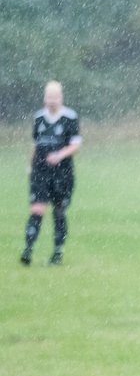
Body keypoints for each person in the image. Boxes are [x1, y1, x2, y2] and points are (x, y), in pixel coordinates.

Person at [21, 81, 82, 267]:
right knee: (37, 210)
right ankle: (28, 249)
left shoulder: (70, 117)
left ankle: (57, 252)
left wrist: (59, 155)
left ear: (61, 97)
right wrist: (31, 166)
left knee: (58, 211)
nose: (52, 100)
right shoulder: (39, 118)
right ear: (44, 98)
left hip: (62, 173)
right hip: (41, 171)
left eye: (55, 97)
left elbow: (76, 144)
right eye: (49, 97)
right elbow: (35, 145)